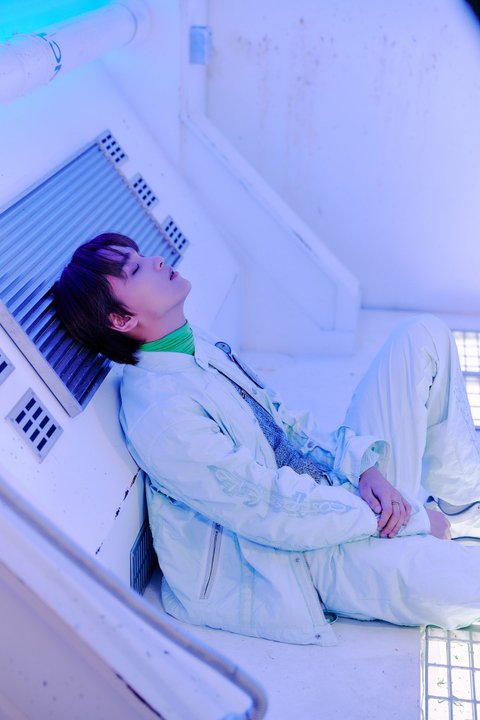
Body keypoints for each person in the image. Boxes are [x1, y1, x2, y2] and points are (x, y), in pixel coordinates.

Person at [53, 232, 480, 646]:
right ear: (121, 320)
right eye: (135, 269)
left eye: (143, 256)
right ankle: (430, 528)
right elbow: (269, 509)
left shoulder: (191, 345)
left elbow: (284, 425)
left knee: (421, 336)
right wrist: (409, 519)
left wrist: (365, 468)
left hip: (338, 496)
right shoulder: (161, 414)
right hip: (303, 557)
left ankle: (461, 509)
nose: (157, 260)